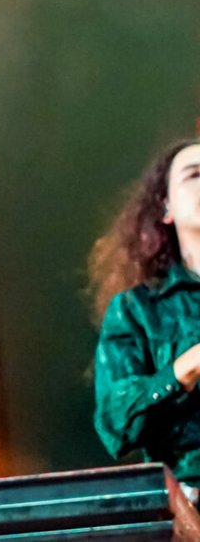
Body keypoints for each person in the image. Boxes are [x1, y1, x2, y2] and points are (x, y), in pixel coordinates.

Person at [90, 138, 200, 493]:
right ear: (166, 208)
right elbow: (116, 422)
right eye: (195, 175)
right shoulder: (137, 309)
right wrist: (186, 367)